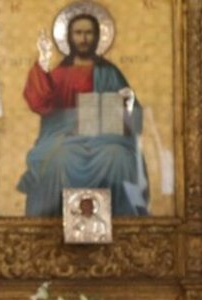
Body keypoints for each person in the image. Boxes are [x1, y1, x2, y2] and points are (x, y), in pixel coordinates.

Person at [17, 12, 148, 217]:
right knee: (60, 159)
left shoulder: (110, 72)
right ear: (70, 37)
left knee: (119, 157)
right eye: (78, 33)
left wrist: (127, 103)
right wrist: (42, 63)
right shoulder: (59, 74)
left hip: (107, 141)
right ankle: (51, 222)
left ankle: (122, 223)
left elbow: (133, 113)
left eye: (88, 33)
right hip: (64, 139)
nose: (84, 39)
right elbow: (40, 102)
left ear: (97, 37)